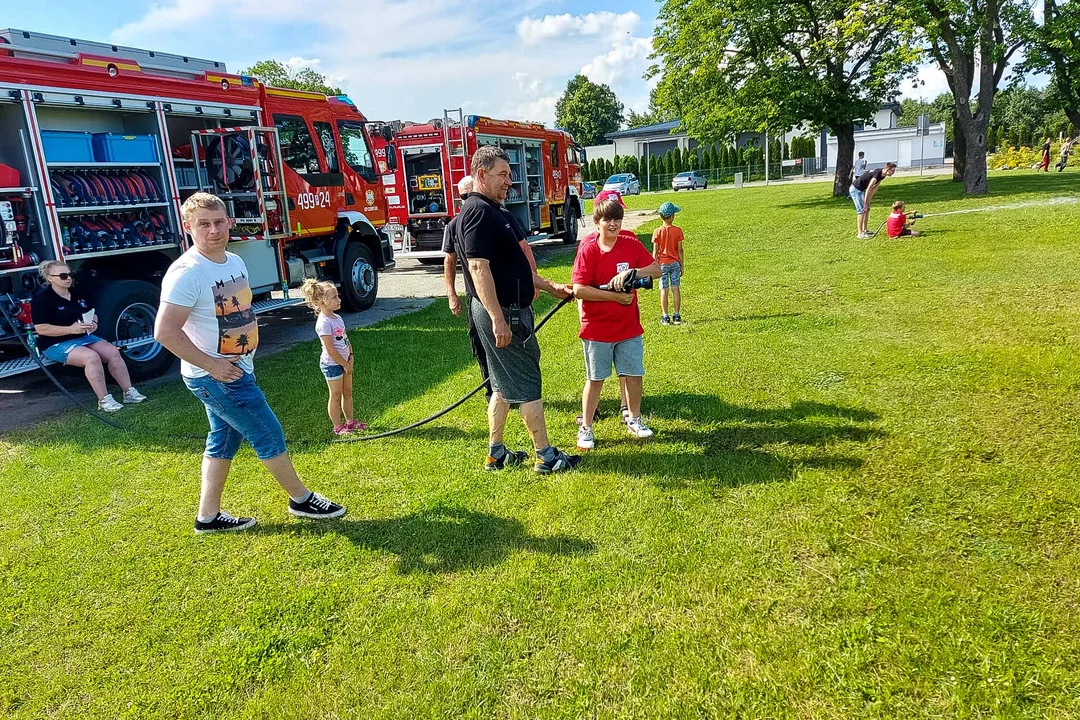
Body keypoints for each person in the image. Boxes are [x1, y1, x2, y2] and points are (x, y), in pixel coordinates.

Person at [155, 192, 347, 534]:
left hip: (236, 368)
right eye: (203, 224)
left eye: (219, 222)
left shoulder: (234, 261)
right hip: (216, 376)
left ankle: (208, 517)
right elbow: (165, 332)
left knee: (223, 439)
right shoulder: (186, 272)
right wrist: (212, 366)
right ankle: (300, 499)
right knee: (267, 432)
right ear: (188, 228)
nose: (213, 231)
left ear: (230, 222)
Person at [458, 146, 580, 473]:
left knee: (501, 385)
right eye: (502, 175)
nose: (508, 181)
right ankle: (546, 456)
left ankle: (495, 453)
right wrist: (498, 318)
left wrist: (551, 287)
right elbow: (478, 268)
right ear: (481, 175)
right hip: (505, 313)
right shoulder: (478, 212)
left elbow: (513, 267)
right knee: (527, 383)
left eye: (509, 174)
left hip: (506, 310)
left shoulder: (494, 210)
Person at [572, 198, 662, 451]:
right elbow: (578, 289)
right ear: (597, 223)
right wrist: (614, 296)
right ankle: (586, 428)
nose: (613, 224)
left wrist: (632, 273)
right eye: (607, 220)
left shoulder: (630, 244)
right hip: (597, 328)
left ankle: (634, 419)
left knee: (634, 374)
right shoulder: (589, 250)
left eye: (617, 219)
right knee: (596, 378)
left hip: (628, 327)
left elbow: (656, 270)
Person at [443, 175, 539, 403]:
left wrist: (534, 281)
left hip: (508, 298)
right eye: (464, 197)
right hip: (478, 299)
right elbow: (452, 260)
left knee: (520, 344)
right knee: (482, 346)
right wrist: (451, 293)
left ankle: (514, 392)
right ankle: (495, 391)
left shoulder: (501, 215)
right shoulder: (456, 223)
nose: (469, 200)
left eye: (471, 195)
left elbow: (524, 249)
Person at [30, 260, 146, 411]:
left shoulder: (77, 294)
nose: (69, 279)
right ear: (50, 278)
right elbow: (42, 329)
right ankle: (103, 400)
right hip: (55, 342)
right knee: (91, 357)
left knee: (112, 351)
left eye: (70, 275)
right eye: (63, 276)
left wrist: (94, 323)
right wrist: (71, 330)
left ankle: (129, 392)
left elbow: (92, 313)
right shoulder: (42, 300)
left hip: (83, 337)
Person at [300, 278, 366, 436]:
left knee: (348, 392)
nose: (339, 300)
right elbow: (330, 349)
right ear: (323, 301)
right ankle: (338, 426)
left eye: (338, 296)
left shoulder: (338, 318)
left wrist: (350, 355)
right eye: (335, 297)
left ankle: (350, 422)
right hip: (332, 365)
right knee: (335, 395)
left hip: (345, 362)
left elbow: (345, 338)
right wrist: (344, 363)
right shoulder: (323, 323)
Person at [652, 200, 684, 325]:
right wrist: (682, 265)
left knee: (663, 289)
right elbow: (680, 250)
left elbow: (655, 252)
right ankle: (676, 315)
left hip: (662, 265)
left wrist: (655, 266)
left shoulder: (657, 232)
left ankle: (665, 316)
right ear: (672, 216)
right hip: (675, 263)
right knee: (675, 288)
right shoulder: (678, 231)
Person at [850, 162, 897, 239]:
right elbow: (869, 188)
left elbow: (874, 189)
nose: (893, 173)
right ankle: (860, 233)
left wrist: (868, 202)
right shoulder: (877, 173)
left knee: (867, 209)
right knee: (861, 210)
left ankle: (865, 230)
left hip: (861, 190)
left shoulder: (882, 176)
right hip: (855, 189)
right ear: (888, 169)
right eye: (893, 171)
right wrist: (865, 203)